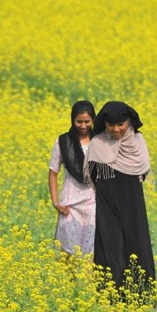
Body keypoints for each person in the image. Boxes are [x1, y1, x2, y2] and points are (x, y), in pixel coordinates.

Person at [84, 101, 155, 296]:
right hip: (107, 206)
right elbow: (93, 176)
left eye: (121, 124)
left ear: (129, 122)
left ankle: (140, 296)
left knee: (136, 244)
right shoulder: (98, 143)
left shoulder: (138, 142)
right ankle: (110, 296)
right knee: (110, 246)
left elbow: (142, 172)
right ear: (104, 124)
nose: (116, 129)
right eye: (111, 125)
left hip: (133, 205)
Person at [48, 100, 97, 256]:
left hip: (93, 202)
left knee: (91, 252)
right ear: (72, 120)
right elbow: (53, 172)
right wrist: (56, 202)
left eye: (87, 121)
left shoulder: (100, 141)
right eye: (79, 121)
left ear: (93, 120)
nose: (83, 126)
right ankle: (67, 282)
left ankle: (87, 281)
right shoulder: (63, 142)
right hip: (69, 204)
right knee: (66, 253)